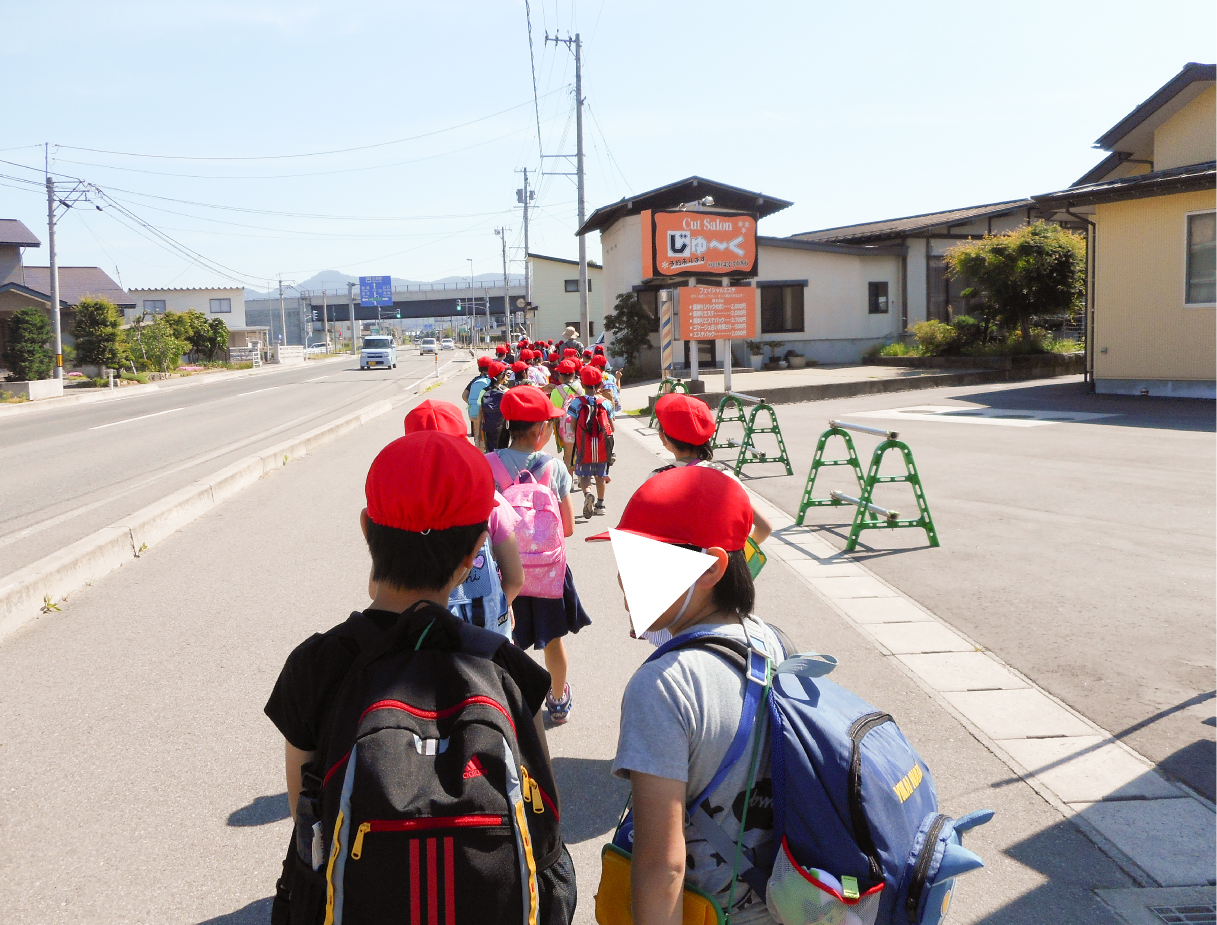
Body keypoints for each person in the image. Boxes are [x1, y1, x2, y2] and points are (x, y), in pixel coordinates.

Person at [265, 430, 575, 919]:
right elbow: (544, 817)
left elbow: (305, 816)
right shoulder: (507, 668)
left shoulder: (317, 665)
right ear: (477, 551)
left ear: (367, 529)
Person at [595, 465, 785, 923]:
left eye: (644, 565)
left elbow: (663, 865)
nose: (623, 582)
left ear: (713, 567)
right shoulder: (773, 642)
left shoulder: (662, 687)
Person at [491, 387, 591, 725]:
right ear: (539, 431)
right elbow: (568, 527)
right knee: (553, 641)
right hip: (548, 574)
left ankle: (512, 703)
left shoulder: (489, 465)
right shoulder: (555, 467)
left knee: (510, 640)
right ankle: (559, 699)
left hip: (505, 573)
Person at [405, 400, 525, 638]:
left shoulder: (399, 510)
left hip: (420, 639)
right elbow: (515, 578)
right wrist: (502, 605)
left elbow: (376, 588)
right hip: (484, 639)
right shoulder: (491, 502)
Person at [652, 393, 772, 545]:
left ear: (663, 438)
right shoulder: (727, 476)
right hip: (721, 563)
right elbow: (765, 527)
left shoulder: (658, 479)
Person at [550, 358, 583, 473]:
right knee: (580, 451)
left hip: (564, 427)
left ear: (560, 376)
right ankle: (581, 477)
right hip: (580, 424)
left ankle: (569, 480)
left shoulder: (556, 391)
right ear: (574, 374)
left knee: (568, 454)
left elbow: (554, 410)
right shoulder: (581, 388)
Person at [477, 360, 509, 450]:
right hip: (503, 428)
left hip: (488, 428)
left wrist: (479, 431)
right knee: (503, 451)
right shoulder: (506, 391)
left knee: (491, 451)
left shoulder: (483, 391)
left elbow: (480, 412)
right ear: (501, 375)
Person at [463, 357, 492, 444]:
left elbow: (464, 395)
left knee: (479, 439)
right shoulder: (492, 380)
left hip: (475, 415)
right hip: (488, 415)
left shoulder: (475, 380)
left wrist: (473, 403)